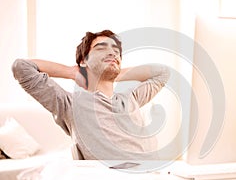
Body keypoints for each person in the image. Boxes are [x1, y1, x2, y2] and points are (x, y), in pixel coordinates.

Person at [12, 30, 170, 160]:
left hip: (152, 176)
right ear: (83, 61)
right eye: (101, 48)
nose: (112, 54)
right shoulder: (70, 104)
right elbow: (21, 67)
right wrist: (72, 72)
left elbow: (163, 72)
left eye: (116, 52)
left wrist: (114, 72)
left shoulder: (131, 98)